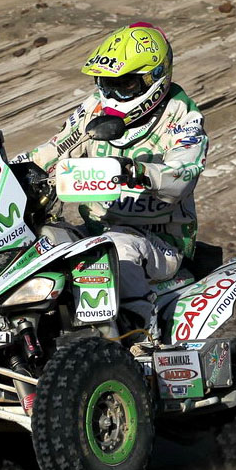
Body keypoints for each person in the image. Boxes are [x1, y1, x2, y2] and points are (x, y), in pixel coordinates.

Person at [19, 22, 208, 340]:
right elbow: (54, 149)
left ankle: (139, 341)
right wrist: (11, 169)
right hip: (92, 233)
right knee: (41, 241)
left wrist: (138, 172)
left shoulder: (183, 118)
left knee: (117, 249)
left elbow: (183, 176)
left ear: (154, 78)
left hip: (160, 241)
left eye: (125, 84)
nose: (112, 94)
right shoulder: (93, 108)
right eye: (106, 83)